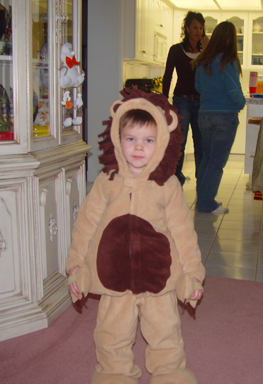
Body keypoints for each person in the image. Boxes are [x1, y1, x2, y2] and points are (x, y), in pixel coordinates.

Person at [65, 88, 205, 384]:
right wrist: (77, 266)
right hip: (114, 275)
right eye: (131, 139)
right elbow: (86, 224)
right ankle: (114, 372)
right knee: (110, 332)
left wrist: (192, 273)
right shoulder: (107, 181)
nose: (138, 148)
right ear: (118, 138)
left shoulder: (167, 185)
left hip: (159, 276)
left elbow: (183, 232)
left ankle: (170, 371)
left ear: (162, 142)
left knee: (165, 330)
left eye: (148, 141)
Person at [193, 21, 246, 213]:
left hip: (204, 116)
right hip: (224, 118)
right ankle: (206, 203)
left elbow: (199, 87)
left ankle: (203, 201)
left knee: (208, 159)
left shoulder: (203, 61)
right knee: (217, 162)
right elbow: (234, 91)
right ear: (231, 39)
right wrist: (241, 103)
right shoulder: (228, 61)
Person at [162, 11, 209, 185]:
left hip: (201, 102)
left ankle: (202, 181)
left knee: (201, 144)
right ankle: (176, 180)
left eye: (201, 28)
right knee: (179, 143)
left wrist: (208, 50)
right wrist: (164, 100)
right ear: (187, 28)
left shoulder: (206, 52)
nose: (198, 31)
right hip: (181, 101)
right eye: (195, 27)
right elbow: (167, 76)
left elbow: (212, 74)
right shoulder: (176, 50)